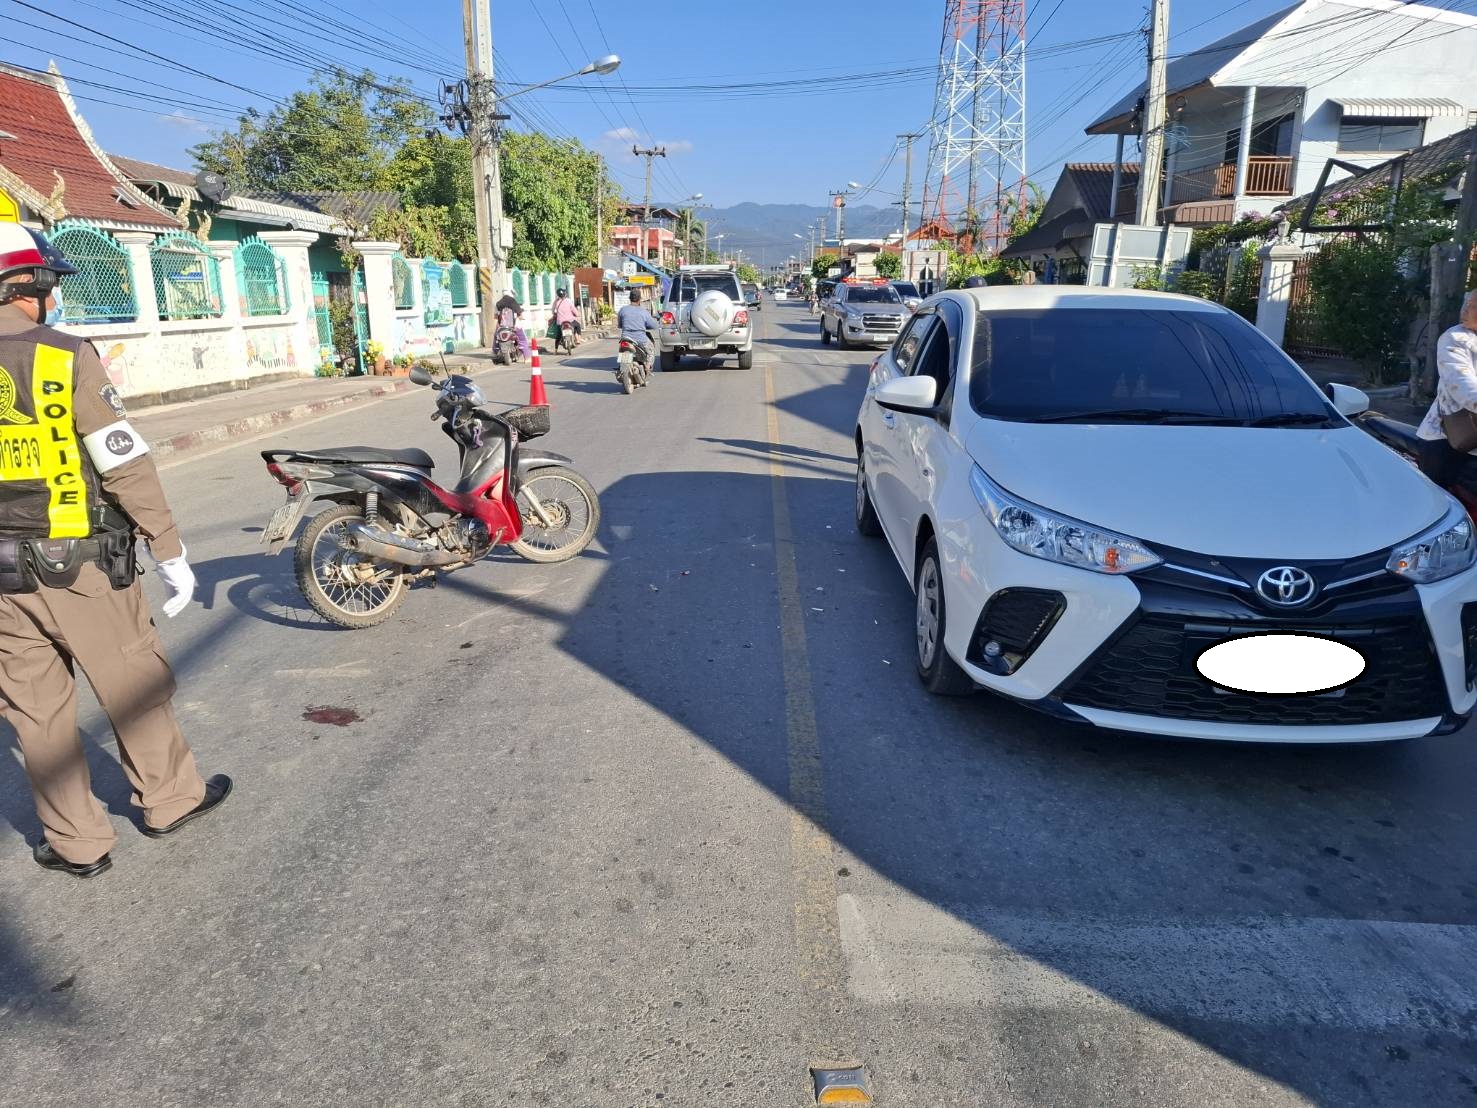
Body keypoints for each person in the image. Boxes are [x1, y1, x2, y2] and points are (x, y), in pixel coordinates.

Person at [0, 224, 230, 878]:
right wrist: (168, 548)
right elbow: (121, 461)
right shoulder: (65, 355)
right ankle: (170, 800)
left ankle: (77, 844)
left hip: (4, 581)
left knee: (35, 714)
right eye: (51, 285)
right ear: (28, 285)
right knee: (133, 683)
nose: (54, 298)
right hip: (84, 568)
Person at [1416, 289, 1477, 495]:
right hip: (1447, 435)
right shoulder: (1455, 338)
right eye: (1466, 304)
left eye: (1472, 306)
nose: (1464, 310)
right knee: (1434, 499)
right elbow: (1462, 384)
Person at [615, 290, 661, 378]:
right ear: (640, 299)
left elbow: (620, 325)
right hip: (641, 340)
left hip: (625, 338)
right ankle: (648, 368)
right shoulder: (644, 311)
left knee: (624, 353)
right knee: (651, 350)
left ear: (630, 299)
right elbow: (654, 325)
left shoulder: (623, 310)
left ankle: (621, 369)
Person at [493, 290, 532, 359]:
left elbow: (496, 316)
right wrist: (522, 318)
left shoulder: (498, 303)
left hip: (501, 327)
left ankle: (496, 352)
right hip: (514, 327)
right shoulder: (513, 302)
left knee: (496, 338)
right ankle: (527, 357)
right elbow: (520, 315)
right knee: (522, 340)